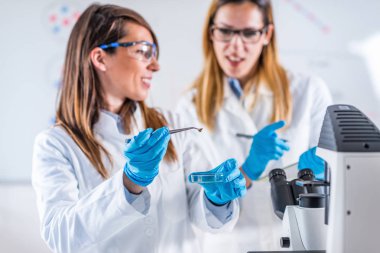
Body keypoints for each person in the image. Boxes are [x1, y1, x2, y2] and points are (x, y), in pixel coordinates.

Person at [32, 4, 247, 253]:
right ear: (100, 58)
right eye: (144, 52)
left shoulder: (172, 123)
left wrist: (215, 199)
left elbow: (203, 214)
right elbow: (61, 236)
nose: (155, 66)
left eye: (154, 54)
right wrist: (128, 182)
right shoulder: (56, 144)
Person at [176, 0, 332, 251]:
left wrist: (324, 172)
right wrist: (241, 176)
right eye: (225, 31)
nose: (236, 46)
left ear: (266, 34)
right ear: (211, 33)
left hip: (298, 241)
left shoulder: (309, 91)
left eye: (249, 33)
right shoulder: (190, 106)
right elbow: (194, 207)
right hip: (228, 244)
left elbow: (337, 191)